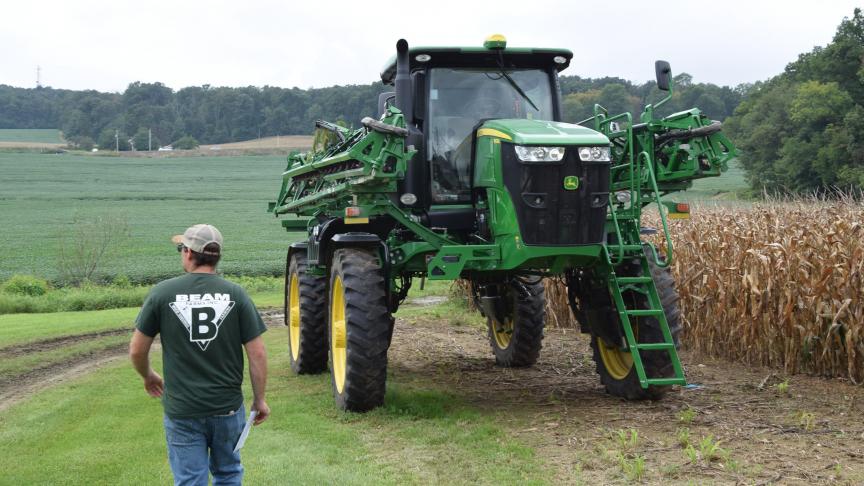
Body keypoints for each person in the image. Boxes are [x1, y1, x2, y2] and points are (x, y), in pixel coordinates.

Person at [129, 224, 270, 486]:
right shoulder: (236, 294)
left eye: (181, 248)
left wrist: (148, 375)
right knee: (228, 474)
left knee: (190, 480)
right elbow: (258, 354)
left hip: (183, 410)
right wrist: (259, 399)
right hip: (227, 408)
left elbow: (137, 350)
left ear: (188, 253)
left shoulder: (162, 293)